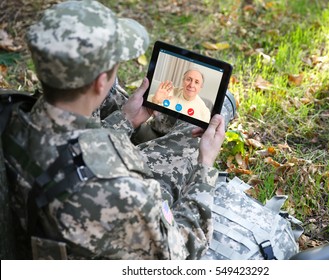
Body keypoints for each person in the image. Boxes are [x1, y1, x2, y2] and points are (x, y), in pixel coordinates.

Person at [2, 0, 226, 260]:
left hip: (43, 219)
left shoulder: (10, 113)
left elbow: (68, 151)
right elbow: (181, 252)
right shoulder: (121, 190)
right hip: (90, 224)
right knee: (192, 141)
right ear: (100, 82)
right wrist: (205, 166)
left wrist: (125, 120)